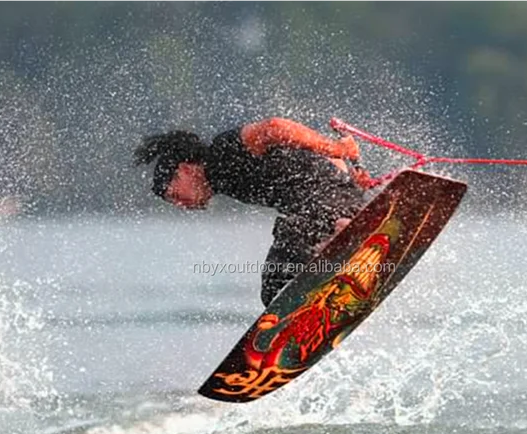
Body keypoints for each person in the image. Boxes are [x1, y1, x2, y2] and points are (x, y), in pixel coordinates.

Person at [134, 117, 380, 307]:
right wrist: (349, 181)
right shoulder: (222, 179)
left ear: (185, 170)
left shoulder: (222, 153)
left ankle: (346, 237)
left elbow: (274, 127)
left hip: (320, 206)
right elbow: (310, 159)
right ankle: (343, 240)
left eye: (175, 195)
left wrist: (336, 149)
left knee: (278, 285)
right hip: (331, 202)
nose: (180, 204)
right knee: (275, 289)